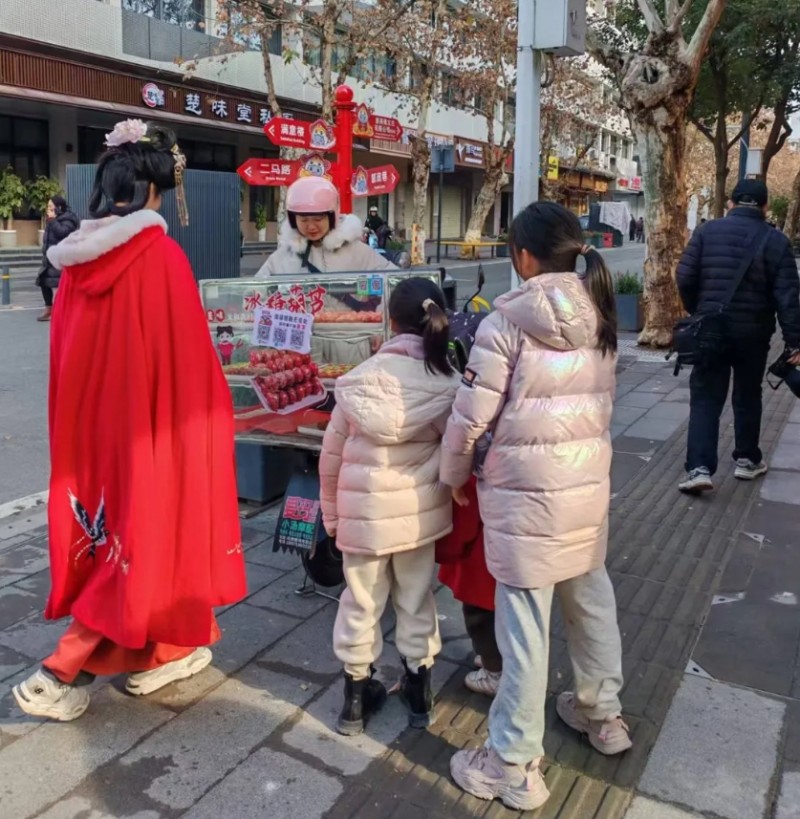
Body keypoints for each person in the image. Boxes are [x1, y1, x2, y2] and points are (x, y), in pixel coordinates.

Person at [12, 119, 247, 722]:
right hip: (151, 428)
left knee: (120, 538)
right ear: (151, 192)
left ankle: (164, 648)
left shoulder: (73, 267)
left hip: (91, 431)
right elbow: (186, 359)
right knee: (145, 538)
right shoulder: (157, 255)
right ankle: (61, 674)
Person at [443, 201, 630, 812]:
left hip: (525, 501)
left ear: (521, 257)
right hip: (586, 491)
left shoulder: (505, 326)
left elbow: (470, 417)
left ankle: (514, 763)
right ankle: (603, 716)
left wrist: (452, 475)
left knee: (523, 630)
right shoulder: (602, 316)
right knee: (590, 599)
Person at [319, 276, 461, 736]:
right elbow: (458, 452)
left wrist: (333, 517)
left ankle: (354, 701)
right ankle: (419, 693)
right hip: (418, 520)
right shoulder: (446, 384)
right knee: (416, 598)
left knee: (360, 603)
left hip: (363, 522)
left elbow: (332, 457)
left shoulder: (358, 383)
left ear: (390, 321)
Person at [676, 179, 800, 494]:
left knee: (705, 396)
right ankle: (747, 461)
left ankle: (699, 469)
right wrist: (794, 342)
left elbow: (685, 276)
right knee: (748, 395)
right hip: (753, 333)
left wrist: (700, 311)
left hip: (711, 331)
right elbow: (788, 297)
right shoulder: (776, 241)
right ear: (765, 206)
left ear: (731, 203)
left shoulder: (705, 232)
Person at [436, 476, 501, 696]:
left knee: (481, 614)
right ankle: (498, 661)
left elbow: (466, 505)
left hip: (483, 551)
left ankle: (495, 671)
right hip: (521, 538)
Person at [256, 177, 396, 277]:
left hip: (349, 319)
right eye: (303, 219)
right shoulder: (283, 256)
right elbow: (254, 295)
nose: (311, 226)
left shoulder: (358, 253)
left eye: (318, 219)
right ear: (293, 219)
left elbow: (394, 283)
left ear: (332, 216)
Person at [35, 196, 79, 322]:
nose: (48, 209)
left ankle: (59, 312)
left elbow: (62, 233)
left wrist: (53, 221)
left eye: (50, 207)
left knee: (56, 285)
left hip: (60, 258)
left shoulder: (68, 219)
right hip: (49, 258)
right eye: (47, 206)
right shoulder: (52, 219)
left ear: (59, 207)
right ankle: (48, 308)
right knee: (44, 281)